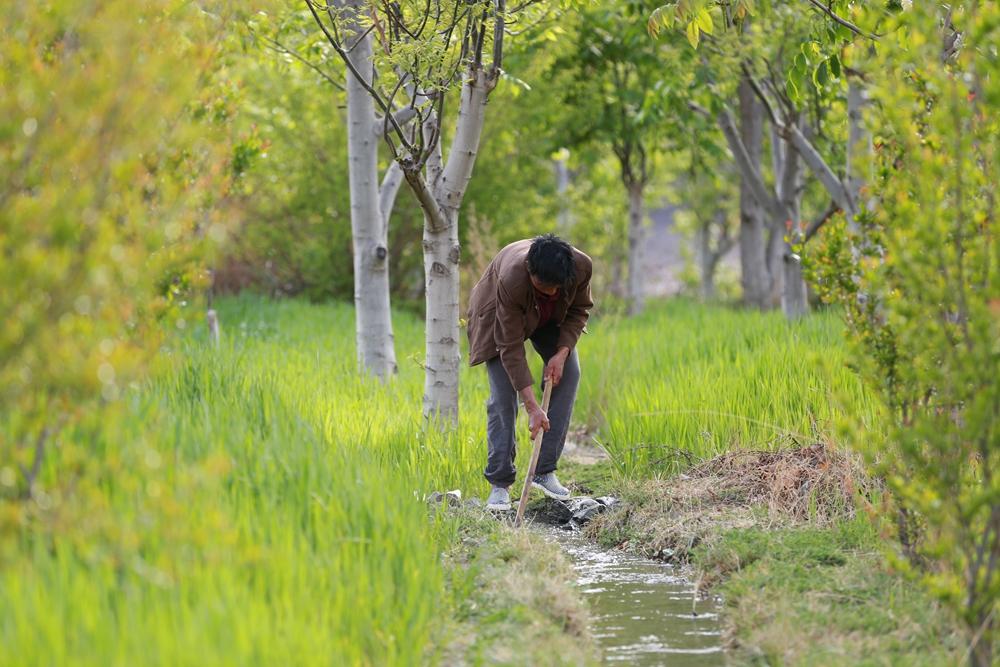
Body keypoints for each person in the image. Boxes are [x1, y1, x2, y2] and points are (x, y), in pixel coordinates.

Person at [466, 234, 594, 510]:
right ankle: (499, 484)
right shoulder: (513, 277)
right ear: (529, 272)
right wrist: (532, 406)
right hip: (497, 316)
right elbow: (510, 346)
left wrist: (561, 353)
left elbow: (580, 309)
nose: (548, 292)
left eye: (554, 288)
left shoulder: (581, 266)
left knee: (570, 373)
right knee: (503, 398)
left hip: (549, 319)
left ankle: (543, 470)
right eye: (540, 286)